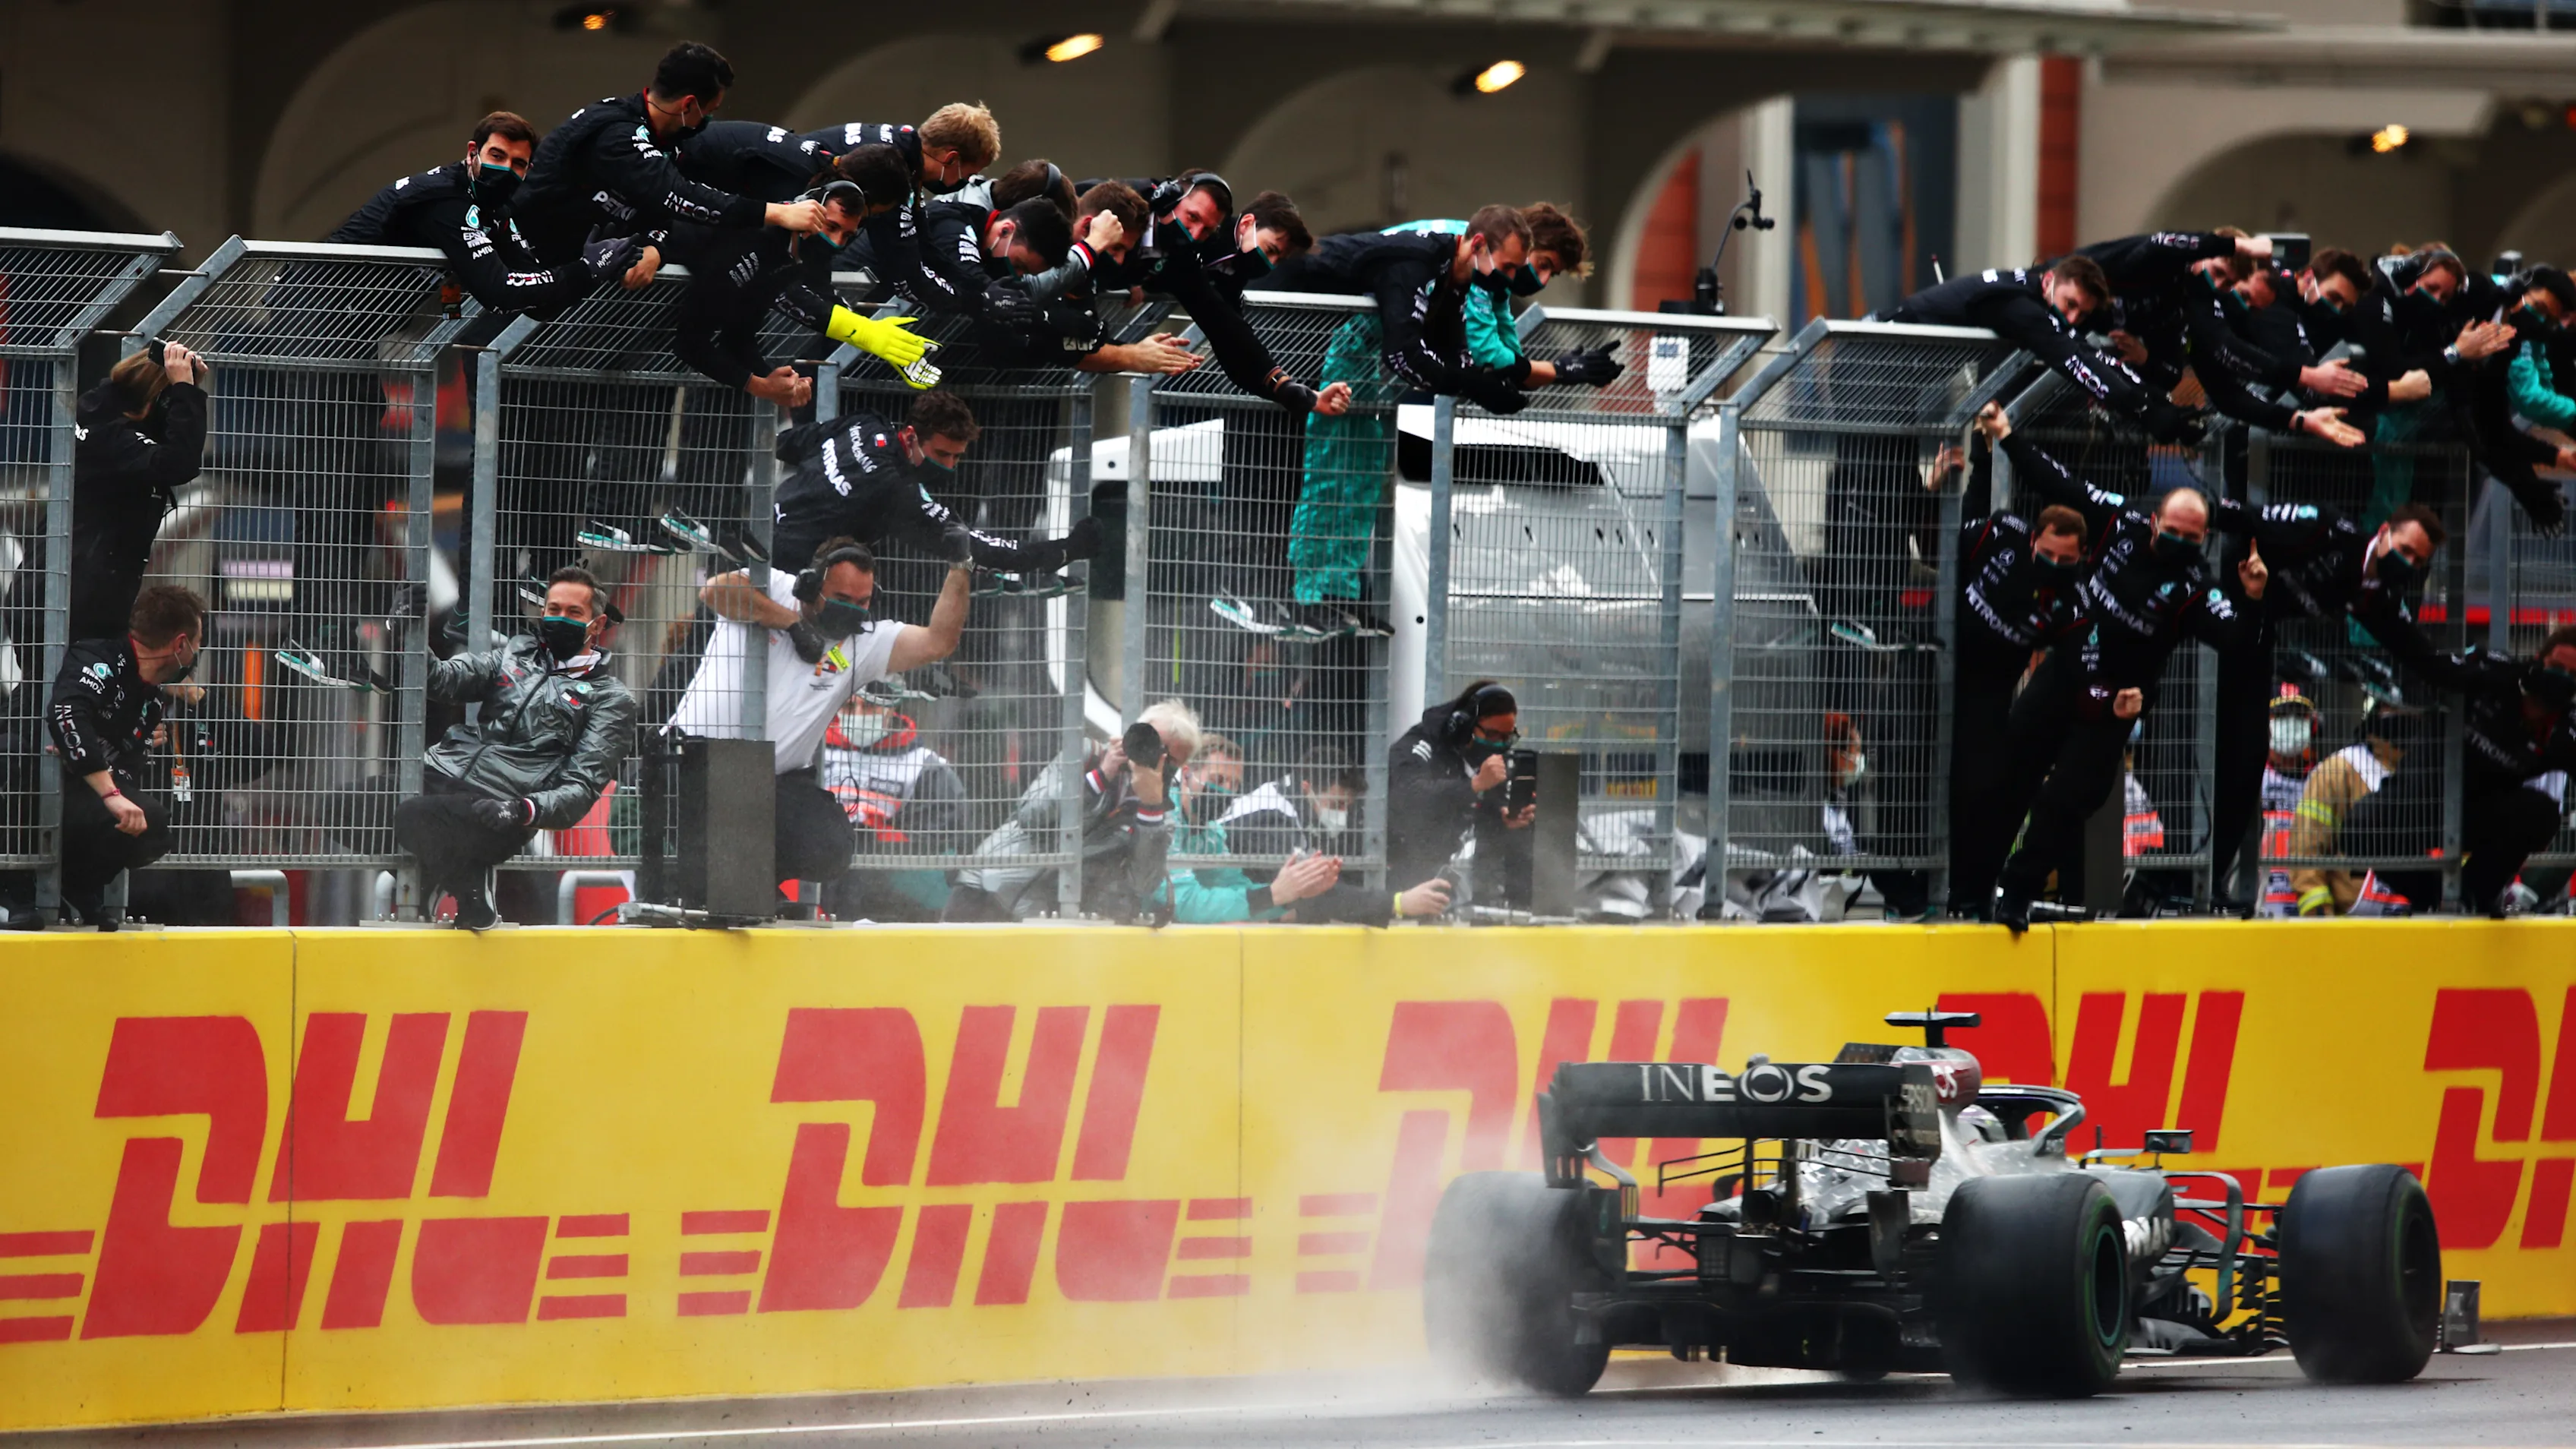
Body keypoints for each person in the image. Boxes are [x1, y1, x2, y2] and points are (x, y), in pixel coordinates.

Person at [1980, 438, 2267, 931]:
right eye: (2172, 531)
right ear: (2155, 521)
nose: (2180, 540)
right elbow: (2059, 482)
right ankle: (1974, 884)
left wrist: (2254, 598)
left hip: (2115, 700)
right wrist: (2008, 438)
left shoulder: (2195, 587)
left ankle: (2019, 893)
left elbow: (2237, 642)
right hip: (2067, 670)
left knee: (2069, 796)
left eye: (2191, 537)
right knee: (2007, 766)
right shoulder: (2121, 520)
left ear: (2203, 540)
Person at [665, 537, 968, 900]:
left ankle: (753, 885)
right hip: (691, 764)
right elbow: (714, 591)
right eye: (841, 599)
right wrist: (793, 625)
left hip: (774, 783)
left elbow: (938, 642)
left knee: (831, 845)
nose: (852, 611)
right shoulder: (775, 586)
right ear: (810, 585)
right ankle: (732, 888)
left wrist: (960, 568)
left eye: (862, 602)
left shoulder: (864, 642)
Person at [398, 567, 636, 930]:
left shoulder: (610, 699)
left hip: (500, 805)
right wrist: (406, 632)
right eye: (553, 609)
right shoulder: (513, 653)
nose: (559, 619)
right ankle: (460, 879)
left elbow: (582, 787)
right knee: (342, 809)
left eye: (573, 613)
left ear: (598, 624)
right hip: (441, 775)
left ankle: (467, 892)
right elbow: (441, 680)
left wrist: (522, 808)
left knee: (412, 816)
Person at [1942, 408, 2095, 914]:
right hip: (1942, 662)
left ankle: (1967, 895)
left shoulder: (2074, 601)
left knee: (1980, 789)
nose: (2054, 565)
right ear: (2036, 540)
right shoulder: (2003, 535)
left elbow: (2080, 663)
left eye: (2066, 561)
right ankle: (1910, 886)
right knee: (1916, 767)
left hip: (1989, 691)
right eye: (2048, 554)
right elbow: (1947, 542)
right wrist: (1973, 463)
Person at [511, 41, 826, 271]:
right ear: (689, 105)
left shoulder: (664, 139)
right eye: (710, 111)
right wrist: (777, 212)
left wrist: (656, 248)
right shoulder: (616, 134)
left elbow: (660, 214)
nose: (708, 121)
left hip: (560, 273)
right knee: (478, 357)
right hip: (514, 263)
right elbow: (676, 195)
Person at [665, 147, 930, 406]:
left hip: (663, 313)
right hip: (641, 299)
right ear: (809, 207)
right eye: (831, 226)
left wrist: (776, 382)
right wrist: (760, 386)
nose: (837, 242)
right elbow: (690, 343)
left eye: (847, 235)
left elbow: (738, 337)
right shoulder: (757, 242)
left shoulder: (787, 258)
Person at [5, 586, 205, 929]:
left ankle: (74, 888)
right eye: (199, 643)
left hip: (81, 795)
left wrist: (97, 771)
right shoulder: (100, 659)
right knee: (8, 752)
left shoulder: (152, 700)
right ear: (181, 644)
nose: (198, 653)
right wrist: (106, 786)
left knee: (153, 825)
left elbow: (128, 765)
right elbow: (67, 711)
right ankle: (10, 892)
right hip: (28, 784)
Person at [767, 390, 1100, 575]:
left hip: (763, 532)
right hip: (789, 578)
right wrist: (1067, 549)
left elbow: (787, 443)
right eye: (942, 454)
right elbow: (976, 545)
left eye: (957, 457)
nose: (949, 466)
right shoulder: (896, 491)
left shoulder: (865, 425)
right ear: (911, 436)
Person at [325, 112, 620, 317]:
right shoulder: (446, 201)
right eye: (497, 156)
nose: (505, 170)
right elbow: (499, 292)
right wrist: (585, 269)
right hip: (313, 310)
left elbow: (539, 302)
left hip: (357, 326)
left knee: (368, 405)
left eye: (518, 163)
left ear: (529, 170)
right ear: (472, 153)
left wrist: (595, 269)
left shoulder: (496, 211)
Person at [1877, 254, 2196, 441]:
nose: (2071, 317)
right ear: (2049, 281)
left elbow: (2084, 353)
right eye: (2069, 304)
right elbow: (2074, 361)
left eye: (2082, 314)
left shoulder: (2031, 298)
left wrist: (2153, 402)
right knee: (1873, 481)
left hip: (1901, 377)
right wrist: (2146, 412)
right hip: (1877, 362)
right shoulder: (2019, 306)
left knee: (1894, 478)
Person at [947, 700, 1197, 921]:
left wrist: (1150, 808)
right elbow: (1030, 815)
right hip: (986, 886)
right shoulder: (1086, 755)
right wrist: (1100, 777)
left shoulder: (1160, 816)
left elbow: (1144, 884)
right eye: (1155, 745)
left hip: (1038, 910)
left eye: (1170, 758)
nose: (1156, 757)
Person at [2385, 626, 2576, 915]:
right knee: (2360, 827)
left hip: (2483, 814)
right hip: (2422, 802)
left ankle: (2467, 898)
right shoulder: (2495, 675)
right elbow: (2429, 664)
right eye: (2557, 667)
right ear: (2539, 660)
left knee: (2541, 813)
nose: (2562, 679)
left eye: (2573, 676)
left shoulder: (2567, 731)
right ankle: (2437, 899)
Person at [1172, 741, 1453, 924]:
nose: (1341, 814)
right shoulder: (1273, 818)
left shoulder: (1290, 808)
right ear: (1307, 788)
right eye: (1337, 804)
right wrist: (1398, 903)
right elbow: (1309, 894)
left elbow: (1284, 894)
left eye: (1234, 783)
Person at [70, 345, 207, 642]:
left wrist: (187, 388)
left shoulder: (106, 421)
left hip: (89, 600)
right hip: (72, 602)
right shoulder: (112, 438)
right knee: (60, 688)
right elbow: (179, 464)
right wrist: (185, 391)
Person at [817, 682, 968, 922]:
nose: (857, 716)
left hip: (883, 895)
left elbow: (934, 847)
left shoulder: (924, 767)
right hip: (815, 883)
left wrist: (875, 829)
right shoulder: (814, 751)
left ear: (890, 708)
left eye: (869, 707)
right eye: (848, 706)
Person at [1387, 680, 1534, 889]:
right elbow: (1410, 794)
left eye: (1507, 738)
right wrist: (1474, 785)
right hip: (1393, 863)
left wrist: (1505, 815)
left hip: (1441, 865)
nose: (1500, 744)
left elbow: (1488, 807)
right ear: (1464, 726)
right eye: (1493, 735)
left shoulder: (1490, 758)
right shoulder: (1421, 744)